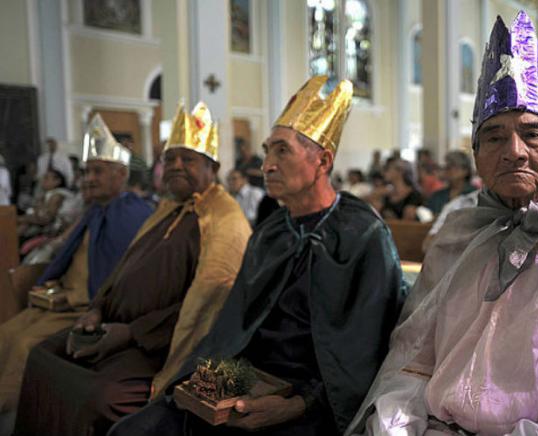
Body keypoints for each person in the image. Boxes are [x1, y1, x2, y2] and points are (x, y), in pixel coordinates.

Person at [350, 12, 538, 435]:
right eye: (494, 136)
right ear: (477, 157)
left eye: (532, 134)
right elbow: (413, 359)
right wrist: (395, 427)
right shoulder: (459, 232)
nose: (514, 151)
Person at [109, 75, 404, 436]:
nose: (266, 165)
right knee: (134, 430)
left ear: (323, 160)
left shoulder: (364, 235)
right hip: (247, 378)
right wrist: (205, 382)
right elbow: (235, 323)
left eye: (282, 150)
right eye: (267, 151)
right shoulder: (271, 231)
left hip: (317, 397)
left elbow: (366, 349)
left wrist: (297, 404)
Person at [13, 102, 252, 436]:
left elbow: (210, 307)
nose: (176, 166)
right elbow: (122, 268)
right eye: (170, 159)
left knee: (98, 397)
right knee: (40, 355)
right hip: (114, 329)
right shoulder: (166, 210)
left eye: (189, 159)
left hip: (157, 347)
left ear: (212, 166)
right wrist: (96, 309)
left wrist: (132, 332)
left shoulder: (226, 221)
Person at [0, 114, 153, 433]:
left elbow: (121, 277)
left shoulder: (134, 214)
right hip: (61, 298)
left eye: (97, 171)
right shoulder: (95, 210)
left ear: (121, 174)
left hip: (83, 307)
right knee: (7, 331)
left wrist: (84, 300)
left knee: (25, 343)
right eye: (85, 172)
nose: (87, 179)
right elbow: (69, 253)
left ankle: (10, 419)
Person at [425, 150, 475, 215]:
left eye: (454, 165)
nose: (448, 169)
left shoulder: (475, 194)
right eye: (447, 166)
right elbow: (426, 216)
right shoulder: (438, 195)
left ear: (465, 170)